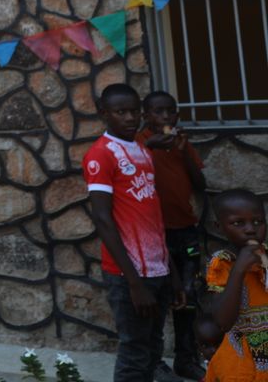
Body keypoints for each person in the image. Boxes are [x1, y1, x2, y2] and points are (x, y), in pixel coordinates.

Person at [84, 83, 184, 382]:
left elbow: (151, 218)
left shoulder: (142, 150)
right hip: (129, 274)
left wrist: (171, 272)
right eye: (120, 112)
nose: (130, 118)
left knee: (153, 348)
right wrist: (134, 284)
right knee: (134, 353)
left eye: (134, 111)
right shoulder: (100, 155)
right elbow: (103, 219)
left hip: (157, 268)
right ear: (104, 113)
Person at [138, 90, 207, 381]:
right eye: (159, 111)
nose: (166, 117)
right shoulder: (139, 144)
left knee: (188, 296)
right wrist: (151, 147)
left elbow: (200, 183)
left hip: (185, 231)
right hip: (153, 233)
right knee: (157, 298)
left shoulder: (181, 144)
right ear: (146, 116)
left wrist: (183, 151)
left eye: (171, 111)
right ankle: (153, 361)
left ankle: (185, 358)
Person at [200, 189, 268, 382]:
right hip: (242, 355)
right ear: (219, 227)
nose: (250, 229)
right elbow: (223, 321)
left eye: (258, 222)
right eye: (238, 223)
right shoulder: (222, 263)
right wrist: (239, 270)